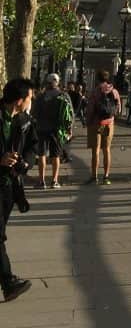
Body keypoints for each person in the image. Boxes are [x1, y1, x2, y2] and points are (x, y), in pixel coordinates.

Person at [1, 79, 36, 302]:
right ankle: (8, 282)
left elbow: (33, 146)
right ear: (19, 100)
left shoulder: (25, 121)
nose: (32, 101)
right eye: (30, 98)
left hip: (9, 188)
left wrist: (26, 163)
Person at [31, 74, 73, 189]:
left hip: (42, 128)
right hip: (57, 130)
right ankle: (54, 181)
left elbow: (34, 113)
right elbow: (70, 114)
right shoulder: (64, 95)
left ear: (47, 82)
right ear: (58, 82)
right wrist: (69, 129)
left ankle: (41, 181)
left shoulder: (41, 96)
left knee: (42, 154)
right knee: (56, 155)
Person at [85, 71, 121, 185]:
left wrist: (88, 121)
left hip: (96, 123)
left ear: (97, 79)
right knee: (107, 150)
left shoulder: (95, 92)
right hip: (109, 123)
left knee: (95, 151)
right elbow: (118, 109)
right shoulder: (114, 91)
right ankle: (106, 177)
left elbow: (90, 109)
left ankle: (94, 176)